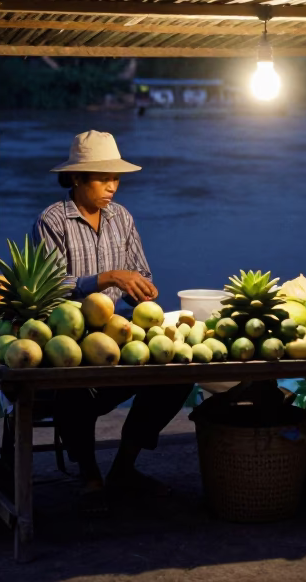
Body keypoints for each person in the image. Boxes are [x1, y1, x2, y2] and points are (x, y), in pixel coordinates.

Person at [33, 130, 192, 500]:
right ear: (76, 178)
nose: (112, 187)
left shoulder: (122, 218)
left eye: (116, 178)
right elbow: (49, 288)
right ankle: (89, 474)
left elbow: (142, 272)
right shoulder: (53, 221)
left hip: (122, 335)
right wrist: (103, 279)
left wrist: (142, 291)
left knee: (178, 377)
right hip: (70, 341)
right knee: (73, 389)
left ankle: (124, 465)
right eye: (103, 178)